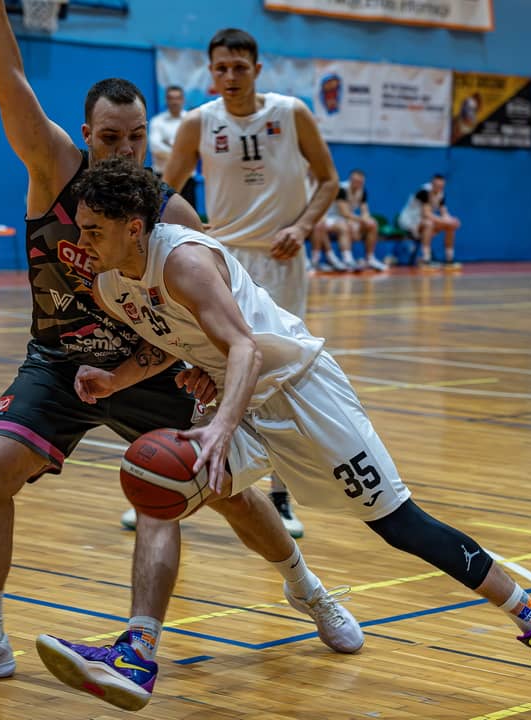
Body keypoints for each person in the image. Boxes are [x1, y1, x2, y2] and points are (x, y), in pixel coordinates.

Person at [0, 1, 362, 703]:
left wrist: (209, 375)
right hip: (61, 361)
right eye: (109, 138)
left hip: (148, 366)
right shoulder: (52, 167)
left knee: (224, 496)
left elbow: (217, 317)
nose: (123, 150)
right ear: (85, 134)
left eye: (134, 138)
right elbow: (7, 75)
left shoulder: (171, 213)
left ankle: (306, 588)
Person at [45, 158, 531, 718]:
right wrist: (116, 379)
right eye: (81, 229)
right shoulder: (109, 286)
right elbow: (168, 337)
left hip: (299, 389)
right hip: (237, 393)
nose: (81, 243)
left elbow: (246, 347)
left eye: (93, 231)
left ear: (134, 228)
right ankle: (138, 652)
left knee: (400, 526)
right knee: (164, 487)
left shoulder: (183, 260)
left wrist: (220, 424)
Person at [163, 28, 341, 538]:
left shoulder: (291, 113)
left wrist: (302, 227)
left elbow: (328, 180)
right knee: (203, 369)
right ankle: (176, 482)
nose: (230, 76)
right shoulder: (198, 123)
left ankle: (281, 496)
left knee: (280, 374)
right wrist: (193, 232)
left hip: (280, 258)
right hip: (221, 261)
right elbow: (162, 192)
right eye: (221, 68)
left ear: (257, 70)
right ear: (210, 72)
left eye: (239, 67)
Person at [311, 169, 386, 273]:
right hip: (331, 217)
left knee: (372, 224)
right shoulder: (341, 189)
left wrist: (366, 219)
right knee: (344, 227)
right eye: (355, 181)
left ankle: (370, 258)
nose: (357, 183)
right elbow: (344, 212)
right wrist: (360, 220)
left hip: (346, 218)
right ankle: (347, 259)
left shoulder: (362, 191)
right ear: (350, 180)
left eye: (360, 182)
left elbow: (365, 211)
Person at [398, 173, 462, 269]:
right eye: (437, 186)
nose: (439, 188)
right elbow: (426, 214)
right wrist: (446, 221)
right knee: (429, 224)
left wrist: (452, 221)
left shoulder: (441, 194)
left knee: (450, 226)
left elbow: (444, 213)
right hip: (409, 222)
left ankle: (449, 259)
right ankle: (426, 259)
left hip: (423, 221)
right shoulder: (424, 192)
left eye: (441, 186)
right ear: (432, 184)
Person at [148, 85, 196, 210]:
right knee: (162, 214)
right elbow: (156, 148)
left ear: (183, 100)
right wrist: (181, 152)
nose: (174, 102)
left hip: (187, 178)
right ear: (166, 100)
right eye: (171, 98)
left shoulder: (192, 120)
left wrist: (169, 144)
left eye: (177, 98)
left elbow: (195, 146)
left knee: (189, 215)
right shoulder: (157, 121)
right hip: (162, 177)